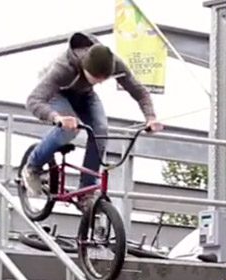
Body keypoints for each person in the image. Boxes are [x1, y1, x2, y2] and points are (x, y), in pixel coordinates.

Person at [23, 32, 163, 206]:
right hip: (56, 93)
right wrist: (57, 117)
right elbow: (33, 100)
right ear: (84, 67)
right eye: (96, 78)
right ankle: (32, 167)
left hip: (84, 94)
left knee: (101, 131)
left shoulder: (115, 64)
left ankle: (87, 191)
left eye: (104, 79)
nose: (100, 82)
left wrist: (150, 118)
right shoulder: (64, 68)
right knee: (68, 129)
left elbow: (139, 92)